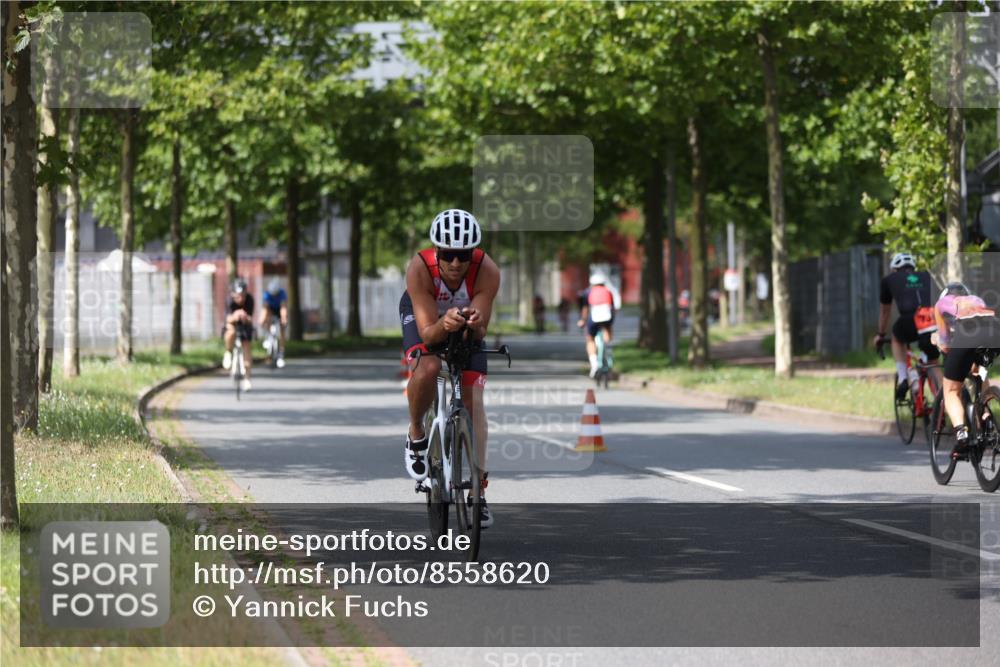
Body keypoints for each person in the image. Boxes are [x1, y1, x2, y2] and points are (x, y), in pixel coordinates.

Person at [400, 209, 500, 528]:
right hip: (427, 318)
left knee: (474, 402)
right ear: (437, 252)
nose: (456, 263)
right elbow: (429, 334)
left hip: (461, 326)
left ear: (473, 254)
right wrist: (444, 323)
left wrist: (472, 325)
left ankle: (478, 494)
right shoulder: (419, 268)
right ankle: (416, 430)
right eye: (448, 254)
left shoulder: (487, 271)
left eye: (463, 255)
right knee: (428, 368)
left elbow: (480, 332)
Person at [932, 282, 997, 454]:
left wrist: (938, 341)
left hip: (968, 335)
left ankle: (962, 434)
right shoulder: (976, 299)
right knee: (979, 370)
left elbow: (945, 343)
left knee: (951, 391)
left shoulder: (940, 305)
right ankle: (986, 416)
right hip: (994, 331)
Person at [873, 252, 941, 400]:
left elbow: (885, 311)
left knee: (897, 337)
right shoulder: (926, 275)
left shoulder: (888, 279)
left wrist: (881, 334)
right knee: (932, 361)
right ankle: (943, 401)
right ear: (913, 266)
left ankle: (903, 378)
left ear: (894, 269)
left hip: (910, 320)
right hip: (932, 319)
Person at [577, 272, 621, 378]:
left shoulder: (588, 292)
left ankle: (594, 364)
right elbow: (613, 308)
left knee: (590, 338)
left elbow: (586, 308)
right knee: (607, 330)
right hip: (607, 316)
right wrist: (611, 322)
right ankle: (609, 349)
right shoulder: (608, 291)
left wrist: (582, 320)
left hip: (595, 317)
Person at [223, 278, 254, 392]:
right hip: (232, 323)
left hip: (245, 324)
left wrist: (245, 317)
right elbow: (227, 318)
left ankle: (247, 378)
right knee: (230, 331)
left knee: (246, 347)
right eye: (238, 296)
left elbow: (251, 319)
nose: (240, 299)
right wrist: (235, 315)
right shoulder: (229, 301)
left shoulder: (250, 300)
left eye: (243, 296)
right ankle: (228, 352)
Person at [258, 278, 288, 368]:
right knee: (265, 319)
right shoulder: (267, 294)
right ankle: (268, 337)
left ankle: (281, 352)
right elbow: (265, 309)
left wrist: (284, 318)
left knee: (282, 327)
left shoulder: (282, 293)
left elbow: (283, 308)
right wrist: (262, 321)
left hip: (279, 310)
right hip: (270, 309)